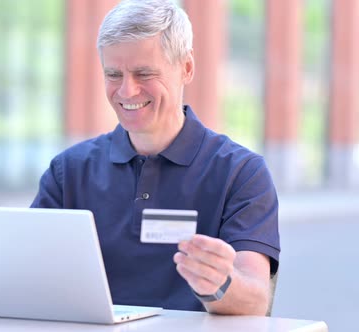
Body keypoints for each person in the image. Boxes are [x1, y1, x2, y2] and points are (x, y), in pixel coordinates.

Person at [31, 0, 279, 316]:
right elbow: (31, 278)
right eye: (113, 74)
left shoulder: (241, 173)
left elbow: (255, 300)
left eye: (143, 73)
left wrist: (219, 283)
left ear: (187, 68)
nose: (126, 91)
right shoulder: (68, 172)